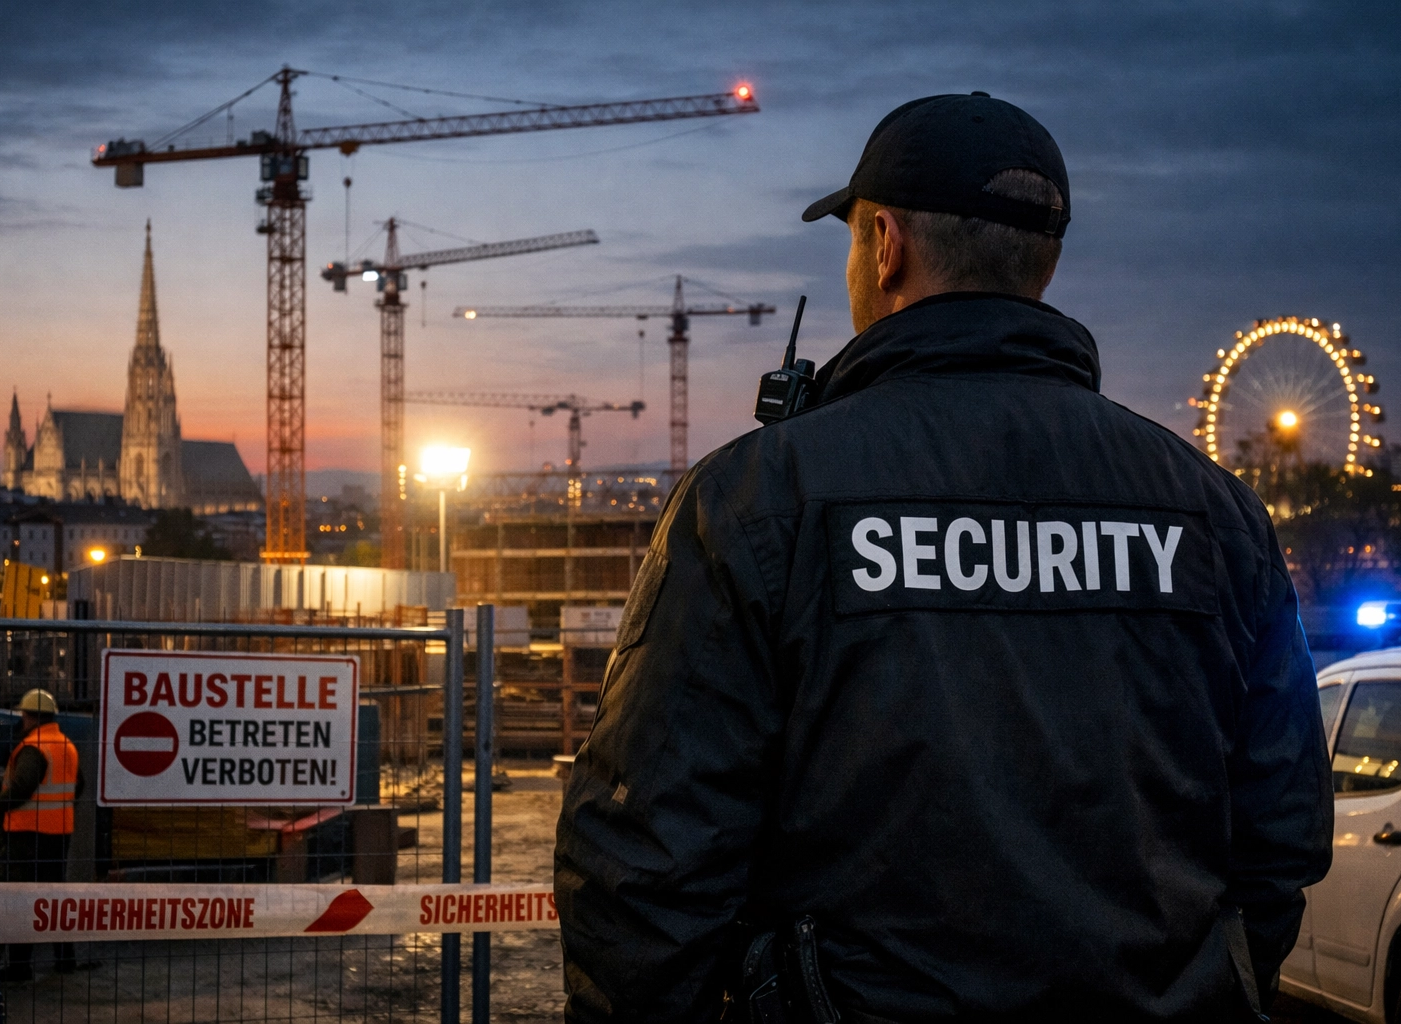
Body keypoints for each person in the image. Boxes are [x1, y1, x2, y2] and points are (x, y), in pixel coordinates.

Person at [555, 93, 1333, 1022]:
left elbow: (645, 859)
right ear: (1042, 262)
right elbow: (1280, 834)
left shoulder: (761, 500)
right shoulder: (1215, 513)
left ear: (885, 244)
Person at [0, 688, 82, 982]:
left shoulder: (34, 747)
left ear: (31, 717)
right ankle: (65, 959)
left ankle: (19, 967)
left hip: (28, 835)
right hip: (59, 833)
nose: (22, 719)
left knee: (24, 899)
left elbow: (22, 786)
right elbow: (77, 785)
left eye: (23, 715)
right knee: (55, 897)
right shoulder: (66, 744)